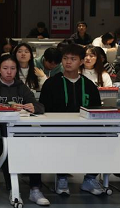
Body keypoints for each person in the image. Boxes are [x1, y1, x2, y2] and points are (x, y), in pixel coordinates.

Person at [39, 44, 105, 197]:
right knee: (61, 141)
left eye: (73, 59)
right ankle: (61, 177)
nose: (68, 62)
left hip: (85, 131)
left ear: (81, 61)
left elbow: (96, 111)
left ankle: (90, 178)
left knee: (104, 139)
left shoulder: (89, 85)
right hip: (58, 130)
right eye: (65, 58)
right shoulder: (51, 83)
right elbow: (44, 110)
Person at [0, 54, 46, 205]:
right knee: (8, 151)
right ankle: (13, 189)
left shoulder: (21, 87)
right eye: (5, 68)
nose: (9, 72)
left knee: (34, 150)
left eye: (12, 68)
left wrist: (33, 107)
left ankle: (35, 189)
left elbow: (40, 106)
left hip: (20, 131)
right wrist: (7, 107)